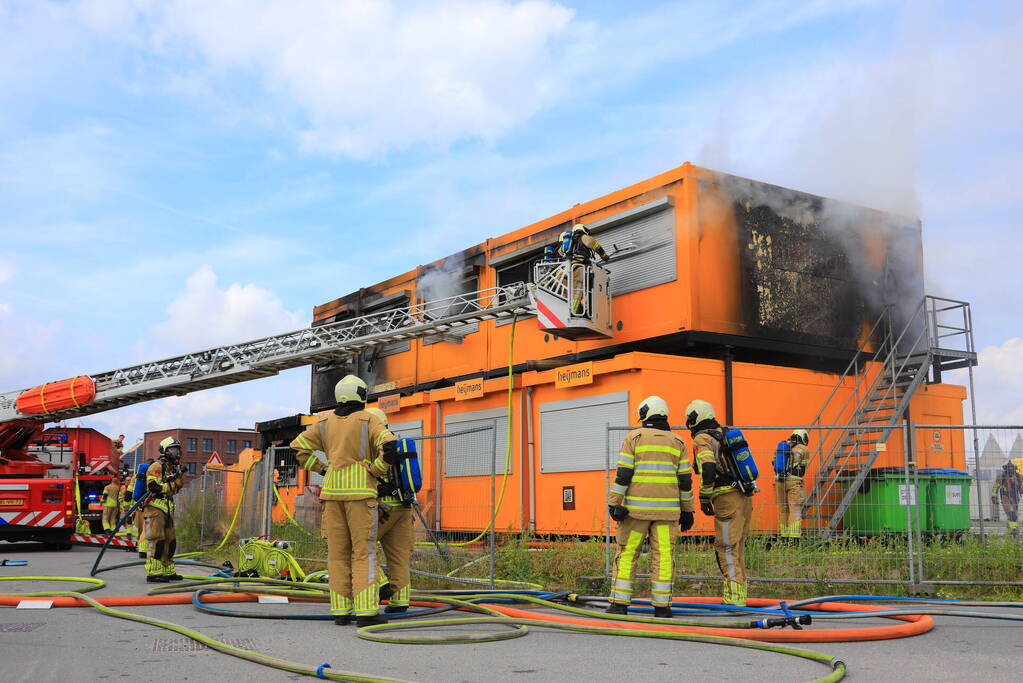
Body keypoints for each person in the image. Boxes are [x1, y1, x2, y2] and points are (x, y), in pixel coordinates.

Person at [289, 375, 404, 626]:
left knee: (337, 555)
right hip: (361, 496)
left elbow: (298, 447)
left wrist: (322, 469)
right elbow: (391, 447)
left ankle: (340, 612)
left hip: (331, 496)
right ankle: (366, 613)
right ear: (362, 395)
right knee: (363, 554)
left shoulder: (324, 422)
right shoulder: (369, 419)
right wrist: (375, 470)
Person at [605, 396, 693, 617]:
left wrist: (614, 503)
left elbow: (623, 475)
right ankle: (662, 607)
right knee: (664, 555)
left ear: (644, 415)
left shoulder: (633, 438)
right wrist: (688, 509)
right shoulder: (678, 442)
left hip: (635, 514)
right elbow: (685, 480)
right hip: (667, 514)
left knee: (627, 553)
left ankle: (619, 604)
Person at [686, 399, 752, 607]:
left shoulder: (702, 438)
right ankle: (739, 596)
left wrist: (704, 497)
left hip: (725, 499)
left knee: (726, 548)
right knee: (737, 548)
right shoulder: (726, 433)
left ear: (696, 418)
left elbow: (708, 469)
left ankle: (734, 600)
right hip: (744, 496)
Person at [365, 407, 415, 614]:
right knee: (399, 557)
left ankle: (381, 583)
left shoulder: (374, 446)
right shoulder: (399, 444)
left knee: (361, 547)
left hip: (382, 508)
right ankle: (400, 602)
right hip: (404, 507)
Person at [143, 438, 185, 582]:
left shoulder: (172, 468)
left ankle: (167, 570)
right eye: (173, 449)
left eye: (178, 449)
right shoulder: (156, 466)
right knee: (157, 540)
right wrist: (171, 485)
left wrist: (176, 480)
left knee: (170, 541)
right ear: (164, 451)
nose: (176, 453)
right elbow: (153, 487)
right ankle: (153, 573)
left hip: (168, 508)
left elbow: (178, 488)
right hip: (155, 508)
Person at [557, 224, 610, 316]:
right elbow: (596, 246)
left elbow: (560, 253)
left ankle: (571, 311)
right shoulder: (584, 237)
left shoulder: (569, 242)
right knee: (578, 291)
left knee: (567, 293)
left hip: (566, 269)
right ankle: (572, 313)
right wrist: (604, 256)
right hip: (579, 268)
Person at [775, 429, 809, 540]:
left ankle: (783, 537)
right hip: (794, 482)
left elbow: (773, 462)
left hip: (779, 481)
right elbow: (803, 469)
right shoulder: (803, 449)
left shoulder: (783, 446)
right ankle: (794, 539)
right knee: (795, 509)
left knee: (783, 509)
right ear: (803, 437)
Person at [992, 462, 1023, 536]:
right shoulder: (1001, 477)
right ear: (1005, 468)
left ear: (1015, 469)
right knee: (1012, 514)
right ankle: (1014, 529)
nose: (1011, 469)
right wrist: (994, 497)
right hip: (1005, 497)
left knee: (1013, 514)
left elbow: (1021, 488)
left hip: (1015, 498)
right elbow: (995, 487)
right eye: (1009, 468)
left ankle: (1010, 528)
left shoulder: (1019, 476)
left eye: (1012, 468)